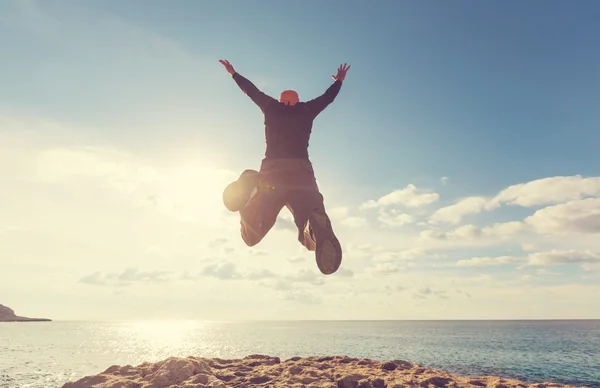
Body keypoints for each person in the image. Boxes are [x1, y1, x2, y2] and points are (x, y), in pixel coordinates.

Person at [219, 59, 350, 275]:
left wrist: (233, 73)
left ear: (281, 100)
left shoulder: (271, 107)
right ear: (296, 101)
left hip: (272, 175)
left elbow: (251, 91)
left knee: (252, 235)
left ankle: (250, 190)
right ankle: (314, 225)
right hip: (302, 174)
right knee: (309, 225)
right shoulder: (307, 109)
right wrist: (339, 82)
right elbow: (328, 99)